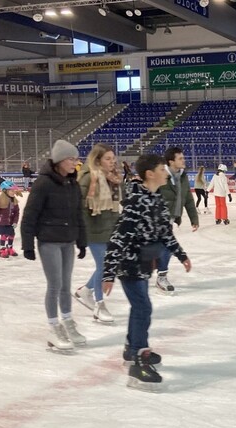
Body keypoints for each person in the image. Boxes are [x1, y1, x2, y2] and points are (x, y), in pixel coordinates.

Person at [101, 154, 191, 391]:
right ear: (150, 174)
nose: (165, 172)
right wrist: (108, 273)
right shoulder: (136, 202)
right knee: (143, 308)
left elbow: (165, 234)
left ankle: (132, 350)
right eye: (162, 168)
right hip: (128, 265)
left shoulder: (156, 200)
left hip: (143, 265)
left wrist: (181, 255)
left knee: (140, 308)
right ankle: (139, 361)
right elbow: (118, 238)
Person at [21, 140, 87, 352]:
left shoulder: (72, 183)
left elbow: (79, 214)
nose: (74, 163)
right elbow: (30, 214)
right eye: (71, 159)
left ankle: (67, 322)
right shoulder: (44, 183)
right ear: (60, 160)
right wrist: (28, 244)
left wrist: (82, 240)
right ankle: (53, 327)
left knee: (66, 286)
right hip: (49, 241)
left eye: (76, 159)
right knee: (55, 285)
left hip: (68, 241)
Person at [74, 143, 121, 323]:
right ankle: (99, 305)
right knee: (105, 267)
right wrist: (82, 234)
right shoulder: (88, 179)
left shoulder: (113, 178)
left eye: (113, 158)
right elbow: (81, 208)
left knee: (111, 266)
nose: (112, 162)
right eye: (108, 159)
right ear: (98, 160)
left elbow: (115, 207)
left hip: (109, 229)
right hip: (93, 231)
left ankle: (85, 291)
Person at [156, 147, 199, 295]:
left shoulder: (183, 176)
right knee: (166, 247)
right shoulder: (160, 174)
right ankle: (160, 276)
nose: (184, 160)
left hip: (171, 218)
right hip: (158, 219)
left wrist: (194, 218)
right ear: (171, 161)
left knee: (165, 247)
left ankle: (159, 273)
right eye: (180, 158)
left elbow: (187, 197)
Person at [0, 180, 20, 259]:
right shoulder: (0, 200)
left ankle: (10, 248)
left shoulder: (14, 201)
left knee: (12, 235)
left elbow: (17, 212)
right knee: (4, 235)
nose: (13, 192)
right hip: (1, 222)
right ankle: (2, 250)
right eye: (11, 190)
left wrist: (15, 221)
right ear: (5, 191)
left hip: (10, 222)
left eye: (14, 190)